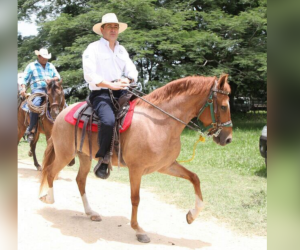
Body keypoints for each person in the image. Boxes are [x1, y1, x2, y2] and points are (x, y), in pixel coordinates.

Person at [82, 13, 138, 179]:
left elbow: (132, 70)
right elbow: (90, 74)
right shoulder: (92, 48)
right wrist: (110, 84)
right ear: (102, 29)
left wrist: (126, 79)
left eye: (116, 27)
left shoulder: (121, 49)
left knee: (144, 112)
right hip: (101, 93)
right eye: (109, 26)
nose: (113, 30)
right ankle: (103, 157)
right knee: (108, 121)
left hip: (121, 91)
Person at [20, 48, 61, 142]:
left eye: (47, 57)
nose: (46, 59)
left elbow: (57, 76)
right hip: (38, 90)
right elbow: (25, 79)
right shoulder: (31, 66)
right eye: (44, 57)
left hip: (51, 89)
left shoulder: (50, 65)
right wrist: (23, 88)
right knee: (35, 105)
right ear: (39, 56)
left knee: (63, 104)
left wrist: (51, 80)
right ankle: (32, 128)